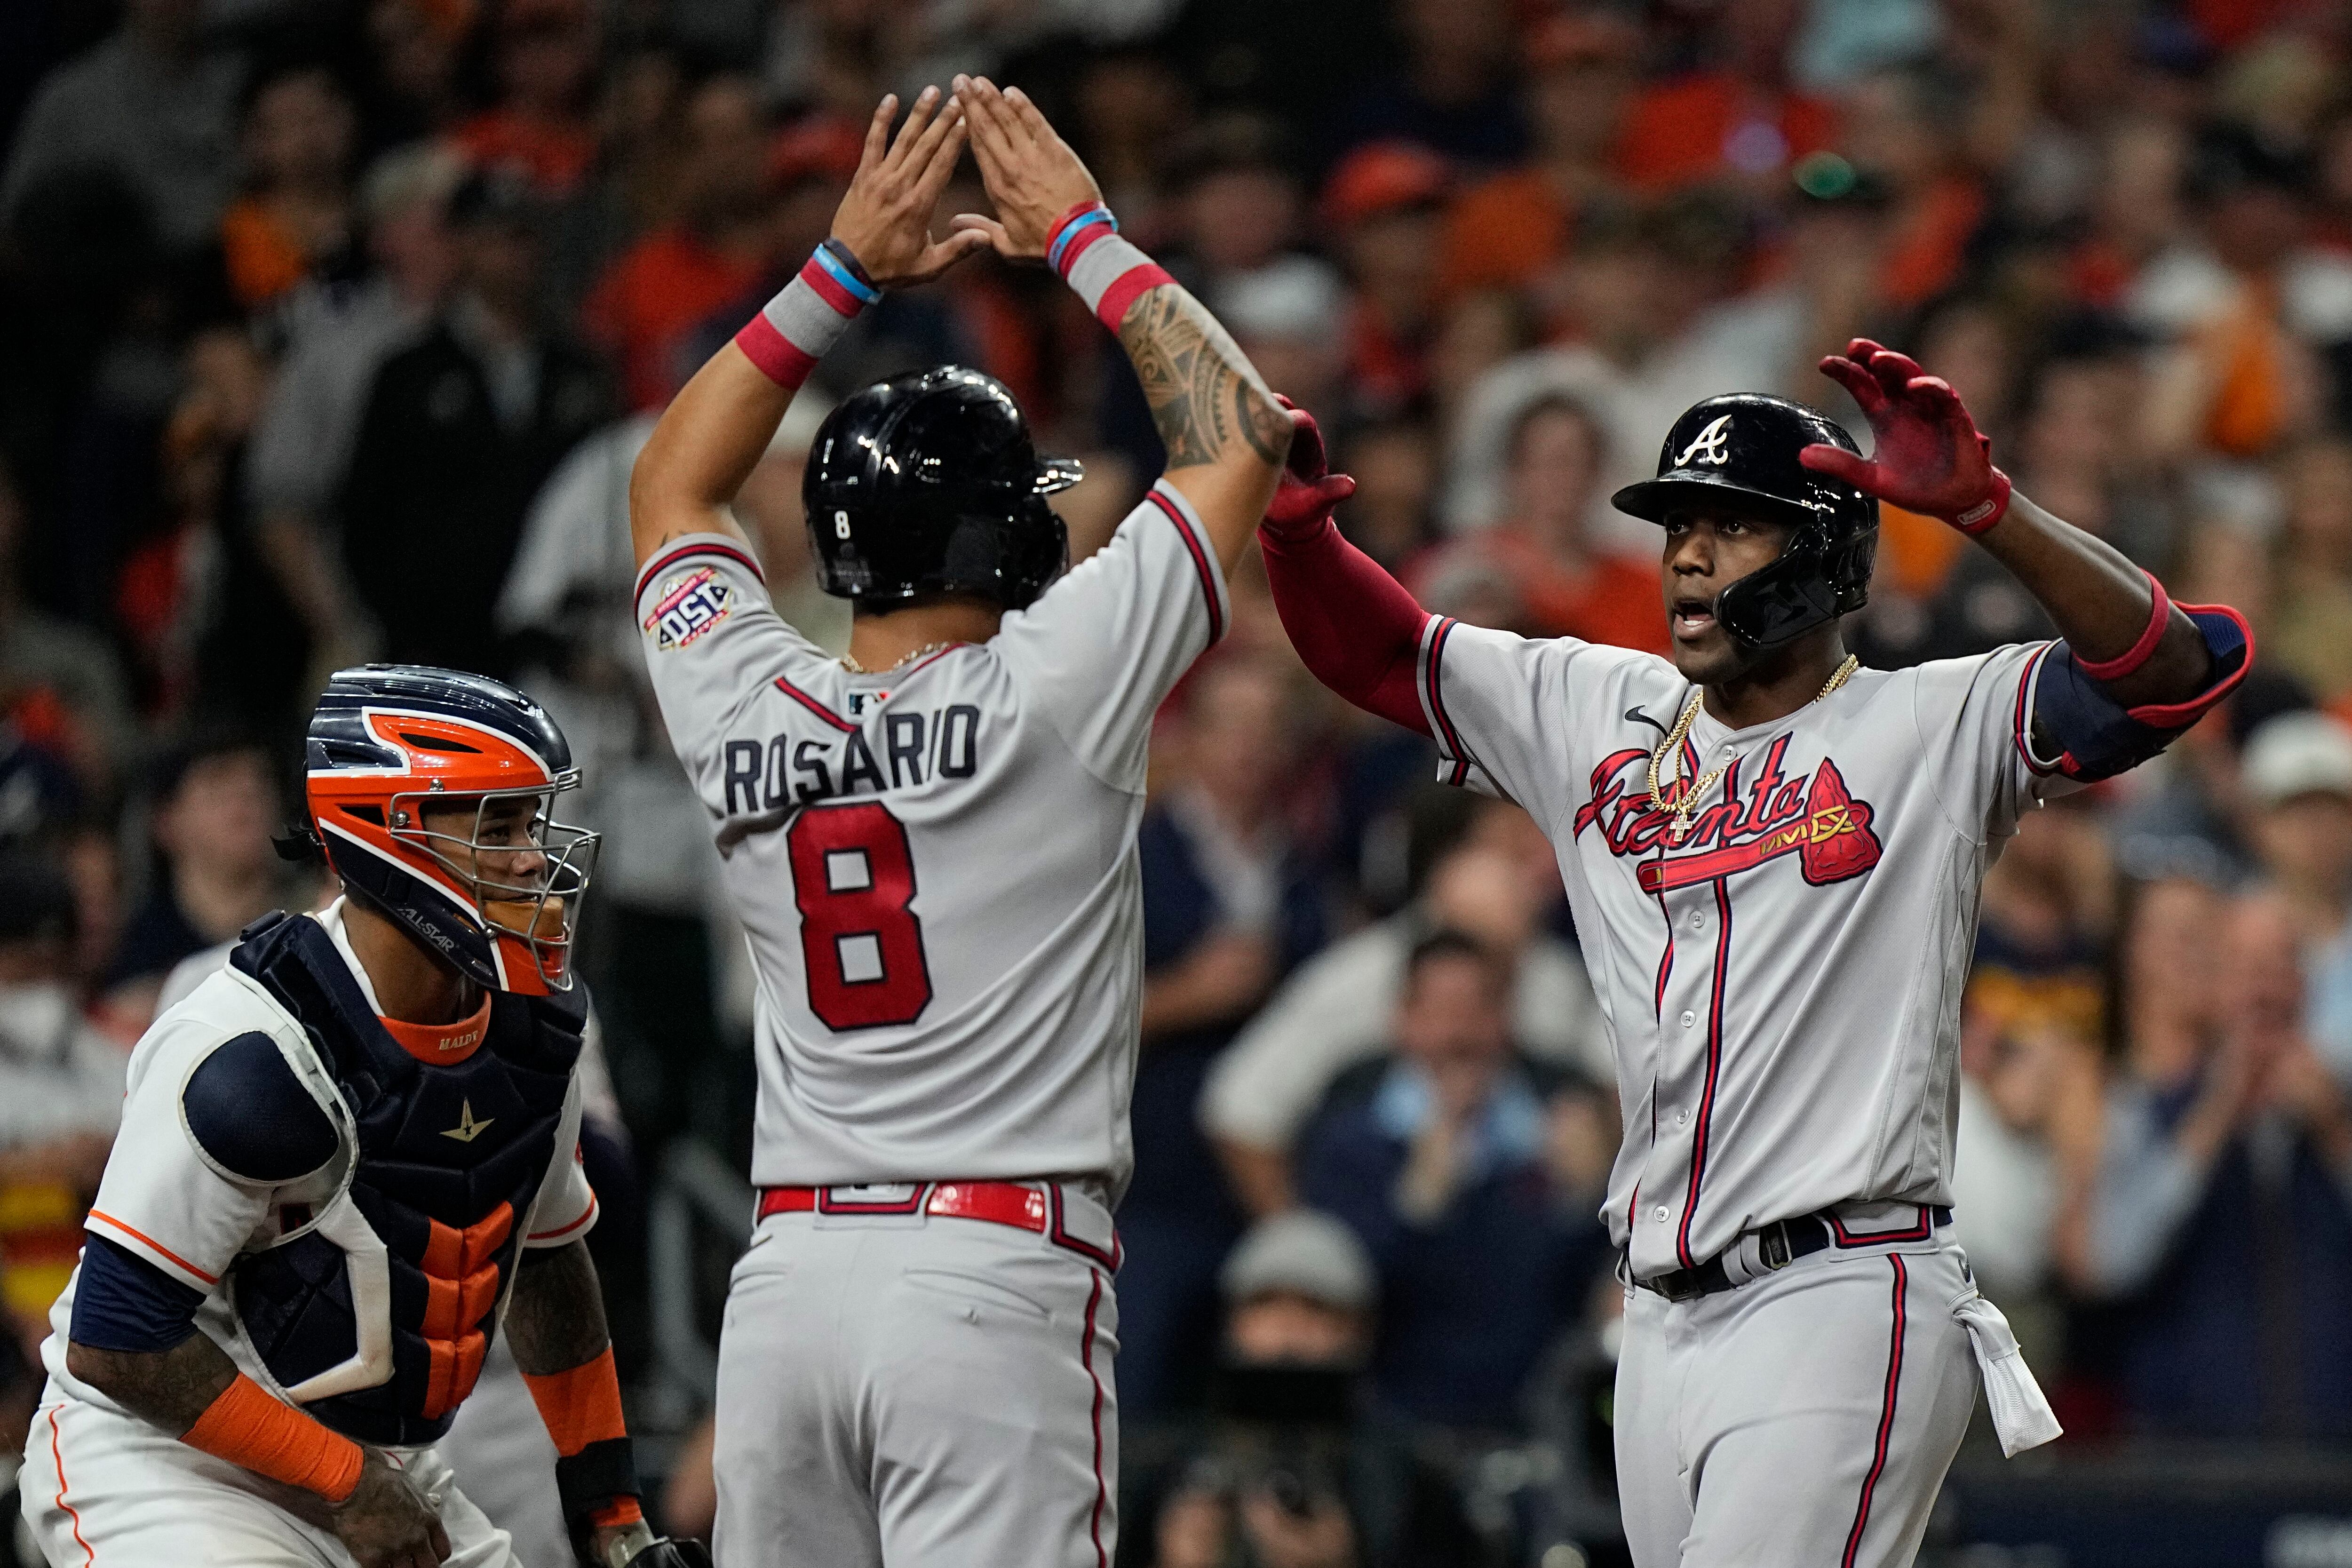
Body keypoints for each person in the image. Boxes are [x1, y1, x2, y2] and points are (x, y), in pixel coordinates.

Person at [1258, 340, 2252, 1565]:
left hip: (1842, 1285)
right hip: (1659, 1322)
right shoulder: (1588, 705)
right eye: (1680, 523)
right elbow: (1379, 653)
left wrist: (1993, 514)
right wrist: (1301, 540)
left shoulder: (1924, 723)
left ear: (1826, 554)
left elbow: (2172, 667)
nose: (1689, 552)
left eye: (1734, 526)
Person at [625, 76, 1291, 1568]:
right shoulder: (1059, 683)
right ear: (1009, 540)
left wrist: (837, 266)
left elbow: (673, 483)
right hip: (994, 1271)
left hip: (788, 1282)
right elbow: (1239, 428)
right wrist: (1085, 239)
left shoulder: (739, 692)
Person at [19, 667, 702, 1568]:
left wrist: (611, 1505)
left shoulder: (531, 1023)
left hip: (375, 1454)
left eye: (532, 824)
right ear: (388, 838)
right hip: (163, 1462)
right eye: (497, 825)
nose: (535, 858)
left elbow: (548, 1256)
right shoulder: (252, 1044)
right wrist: (343, 1482)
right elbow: (118, 1335)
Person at [1295, 931, 1611, 1434]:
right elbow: (1337, 1290)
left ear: (1507, 1017)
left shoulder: (1560, 1123)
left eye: (1479, 1009)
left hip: (1541, 1409)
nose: (1459, 1034)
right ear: (1402, 1019)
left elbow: (1596, 1286)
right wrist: (1417, 1203)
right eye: (1441, 1011)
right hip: (1392, 1413)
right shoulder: (1350, 1138)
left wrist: (1590, 1200)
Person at [1127, 1210, 1481, 1568]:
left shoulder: (1410, 1484)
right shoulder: (1159, 1469)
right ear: (1232, 1321)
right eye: (1266, 1302)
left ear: (1360, 1327)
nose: (1289, 1327)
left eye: (1316, 1306)